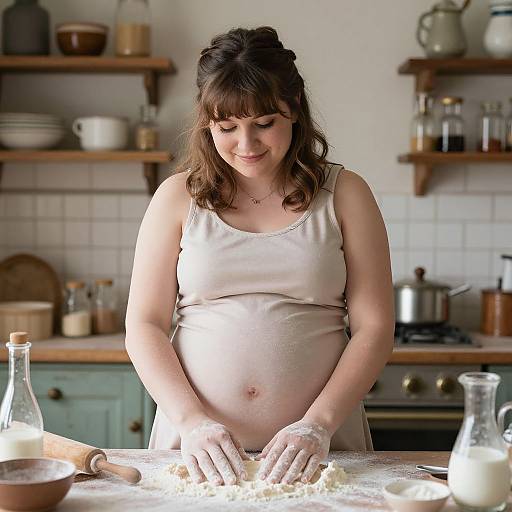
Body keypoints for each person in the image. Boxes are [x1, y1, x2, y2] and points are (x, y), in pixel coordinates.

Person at [125, 25, 394, 488]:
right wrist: (191, 421)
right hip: (197, 453)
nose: (246, 146)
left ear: (294, 110)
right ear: (208, 125)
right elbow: (144, 325)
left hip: (322, 454)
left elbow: (375, 327)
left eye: (264, 123)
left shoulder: (345, 194)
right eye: (227, 128)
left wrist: (319, 424)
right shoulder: (176, 197)